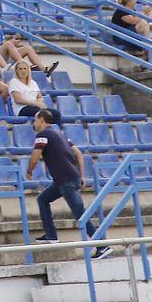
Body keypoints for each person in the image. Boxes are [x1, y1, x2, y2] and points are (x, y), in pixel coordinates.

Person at [27, 109, 112, 258]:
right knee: (43, 199)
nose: (34, 123)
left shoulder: (42, 135)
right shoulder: (61, 134)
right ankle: (51, 235)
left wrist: (29, 171)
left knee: (81, 214)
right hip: (66, 179)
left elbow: (35, 156)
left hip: (65, 180)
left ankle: (102, 245)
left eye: (35, 120)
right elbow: (78, 153)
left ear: (41, 120)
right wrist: (81, 175)